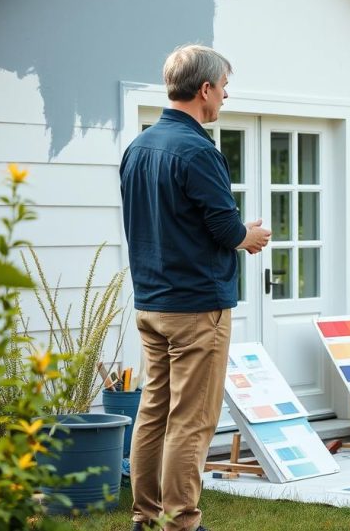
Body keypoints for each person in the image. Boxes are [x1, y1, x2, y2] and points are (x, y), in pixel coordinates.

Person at [120, 44, 271, 531]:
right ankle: (181, 522)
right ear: (204, 89)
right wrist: (251, 237)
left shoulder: (138, 147)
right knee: (191, 420)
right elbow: (226, 231)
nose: (226, 96)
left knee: (153, 414)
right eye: (224, 86)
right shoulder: (199, 150)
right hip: (196, 309)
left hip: (150, 304)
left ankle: (145, 518)